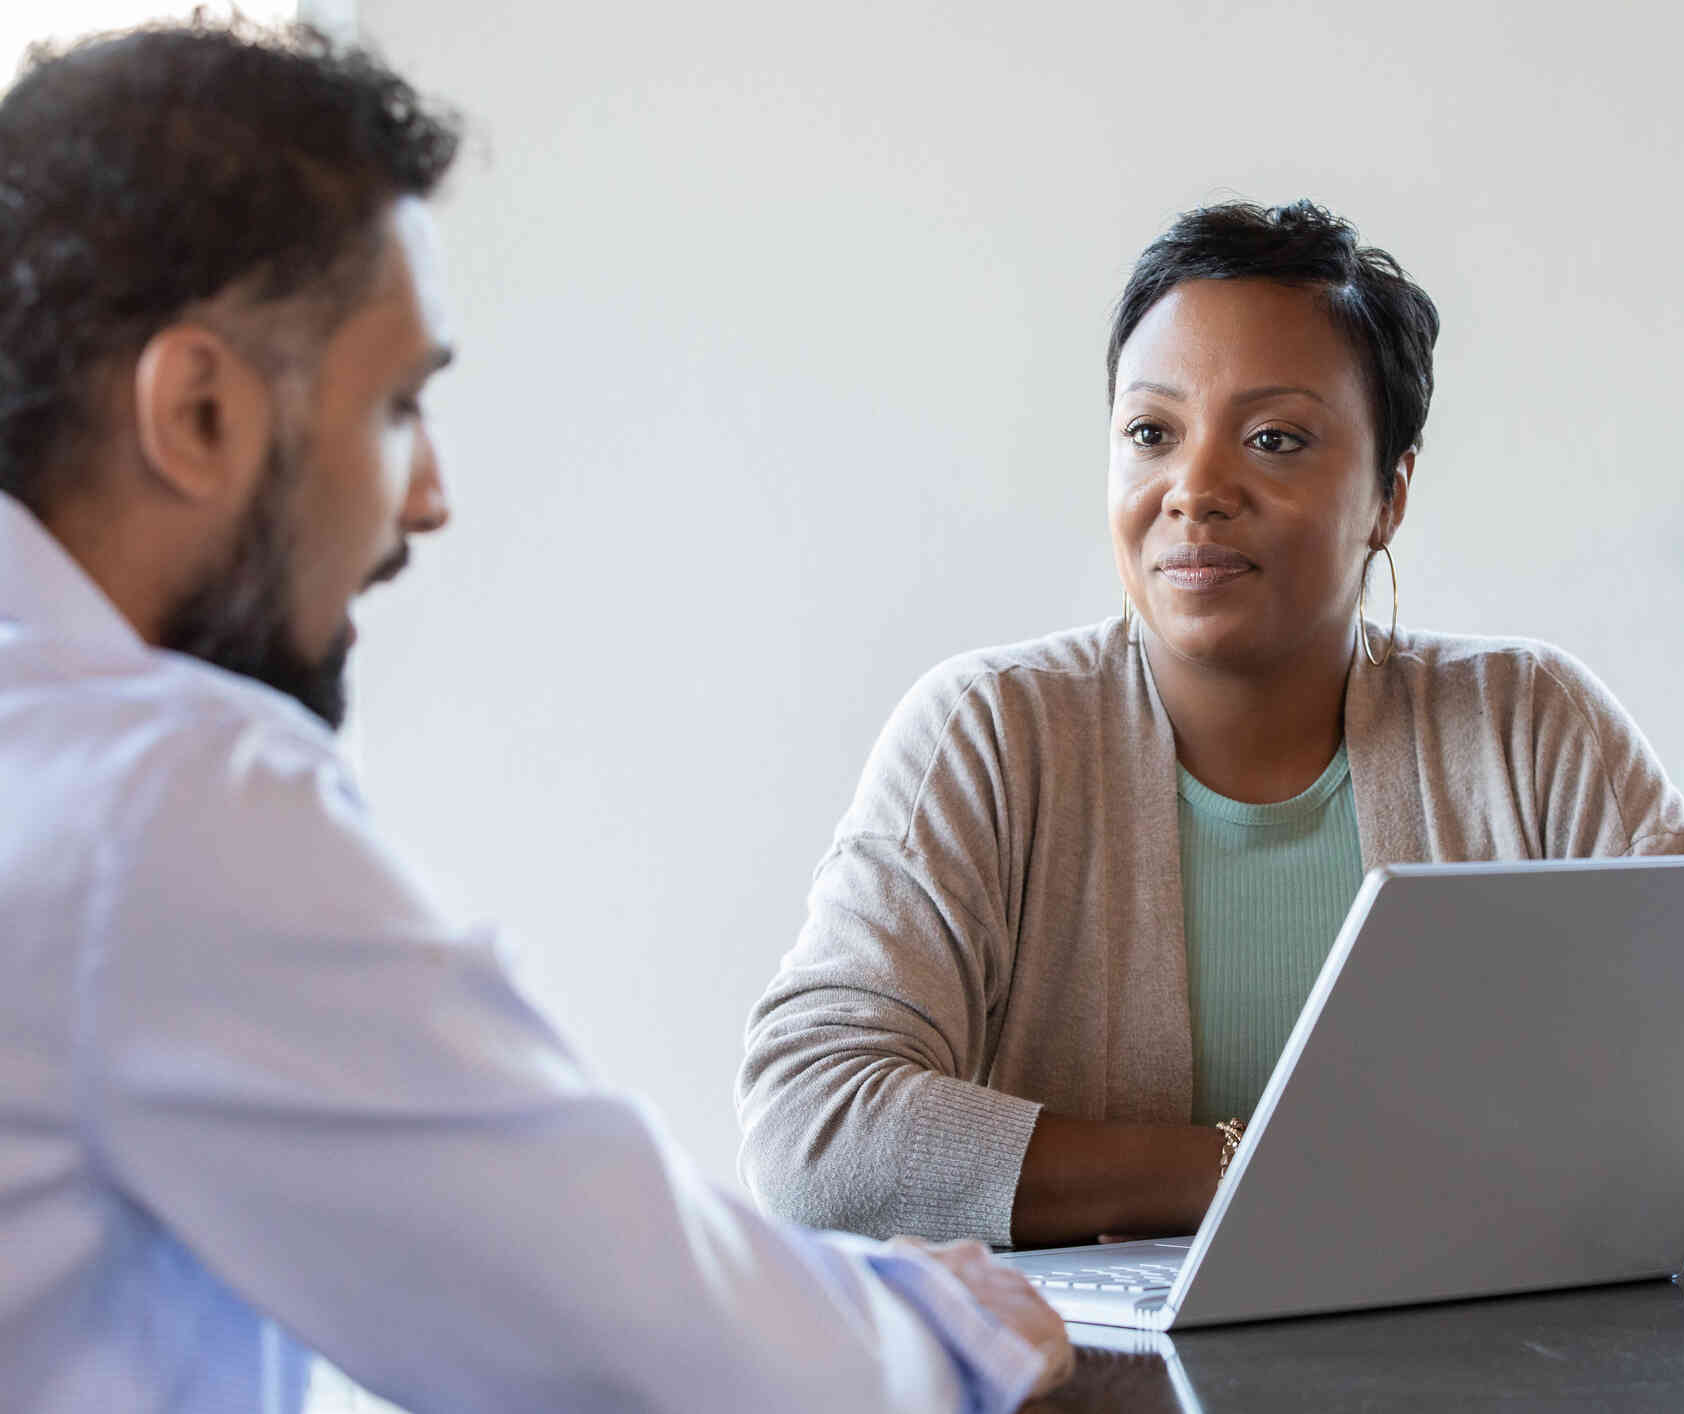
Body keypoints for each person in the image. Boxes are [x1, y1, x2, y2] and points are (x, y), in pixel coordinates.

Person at [0, 20, 1070, 1413]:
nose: (428, 495)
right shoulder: (158, 793)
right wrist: (950, 1326)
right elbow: (664, 1351)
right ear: (198, 412)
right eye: (395, 407)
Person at [737, 200, 1684, 1249]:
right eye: (1150, 432)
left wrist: (1368, 1180)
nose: (1195, 486)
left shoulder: (1529, 727)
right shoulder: (989, 732)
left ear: (1390, 494)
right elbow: (814, 1131)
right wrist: (1261, 1170)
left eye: (1274, 438)